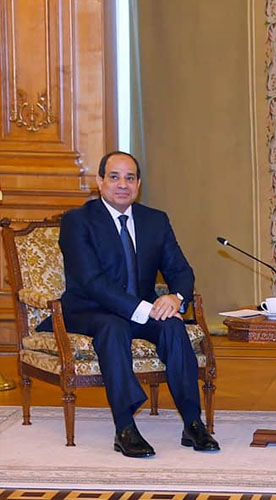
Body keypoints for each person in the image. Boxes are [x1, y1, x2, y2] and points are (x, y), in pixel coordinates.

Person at [37, 151, 219, 457]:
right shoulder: (77, 221)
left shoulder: (155, 221)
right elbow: (91, 281)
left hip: (139, 310)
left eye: (130, 178)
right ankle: (125, 428)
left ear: (138, 184)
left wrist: (175, 298)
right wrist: (147, 309)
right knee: (113, 327)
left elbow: (180, 270)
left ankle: (193, 423)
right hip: (89, 310)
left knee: (173, 327)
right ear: (99, 182)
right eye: (114, 177)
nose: (123, 184)